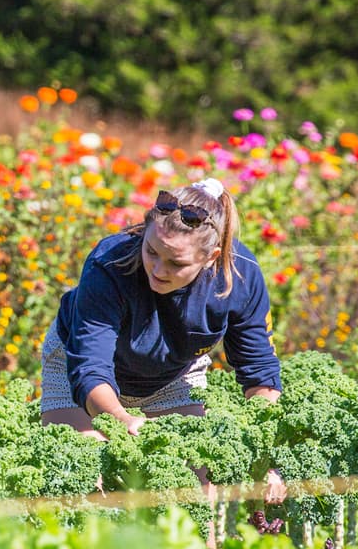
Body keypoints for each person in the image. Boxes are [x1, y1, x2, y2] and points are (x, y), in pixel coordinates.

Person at [40, 178, 286, 504]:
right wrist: (123, 420)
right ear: (145, 232)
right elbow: (90, 367)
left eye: (176, 263)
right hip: (79, 368)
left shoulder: (240, 276)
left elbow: (260, 371)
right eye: (152, 252)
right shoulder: (108, 264)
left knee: (194, 499)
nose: (158, 269)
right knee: (84, 490)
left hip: (174, 374)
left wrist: (265, 454)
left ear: (211, 257)